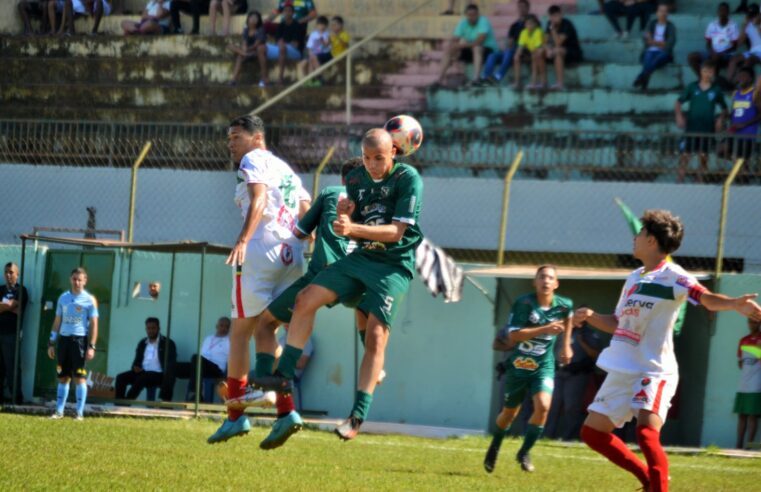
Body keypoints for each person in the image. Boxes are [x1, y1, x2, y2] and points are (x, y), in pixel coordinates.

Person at [250, 128, 424, 444]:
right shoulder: (355, 180)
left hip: (393, 266)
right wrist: (345, 220)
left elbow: (397, 232)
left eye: (379, 159)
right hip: (359, 260)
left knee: (375, 335)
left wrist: (352, 226)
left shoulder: (408, 179)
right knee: (305, 299)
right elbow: (352, 230)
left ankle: (356, 416)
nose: (372, 165)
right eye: (368, 158)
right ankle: (283, 375)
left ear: (394, 153)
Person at [575, 209, 761, 492]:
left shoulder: (673, 275)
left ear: (651, 240)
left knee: (647, 433)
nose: (634, 238)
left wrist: (734, 303)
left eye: (639, 234)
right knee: (592, 433)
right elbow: (617, 323)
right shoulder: (634, 278)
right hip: (625, 367)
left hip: (654, 369)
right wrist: (590, 315)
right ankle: (649, 481)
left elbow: (706, 298)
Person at [224, 157, 363, 449]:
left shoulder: (330, 194)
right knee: (367, 325)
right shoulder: (377, 206)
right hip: (360, 278)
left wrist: (280, 241)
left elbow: (303, 232)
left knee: (265, 324)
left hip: (321, 277)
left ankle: (266, 384)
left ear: (343, 177)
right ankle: (283, 404)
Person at [206, 114, 310, 445]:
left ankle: (235, 417)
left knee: (240, 332)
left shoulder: (254, 159)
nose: (231, 143)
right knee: (268, 329)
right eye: (229, 138)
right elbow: (306, 207)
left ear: (258, 138)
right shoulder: (287, 170)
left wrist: (242, 240)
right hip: (291, 255)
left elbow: (259, 200)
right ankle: (286, 411)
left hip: (260, 253)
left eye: (236, 136)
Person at [483, 265, 573, 474]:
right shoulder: (523, 303)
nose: (546, 281)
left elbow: (568, 318)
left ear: (556, 283)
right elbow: (513, 336)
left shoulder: (564, 305)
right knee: (509, 413)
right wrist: (545, 329)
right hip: (519, 366)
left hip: (543, 366)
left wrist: (566, 345)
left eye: (550, 278)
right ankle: (495, 444)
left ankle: (524, 452)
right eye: (542, 277)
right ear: (535, 282)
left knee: (543, 406)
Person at [47, 268, 99, 420]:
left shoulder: (89, 299)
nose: (77, 282)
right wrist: (51, 343)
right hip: (64, 341)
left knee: (79, 377)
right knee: (63, 377)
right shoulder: (63, 298)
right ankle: (59, 412)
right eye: (74, 279)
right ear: (70, 279)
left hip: (79, 341)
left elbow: (94, 324)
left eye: (79, 279)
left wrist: (92, 346)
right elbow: (57, 321)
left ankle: (79, 413)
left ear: (85, 281)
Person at [545, 320, 605, 441]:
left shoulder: (589, 334)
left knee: (571, 407)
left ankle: (569, 437)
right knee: (552, 405)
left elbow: (595, 354)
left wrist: (581, 340)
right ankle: (547, 435)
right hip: (559, 372)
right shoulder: (562, 332)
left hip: (577, 374)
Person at [675, 59, 728, 183]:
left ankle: (699, 180)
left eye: (710, 72)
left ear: (714, 73)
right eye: (705, 71)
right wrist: (679, 116)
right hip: (692, 127)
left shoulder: (716, 90)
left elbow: (725, 109)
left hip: (707, 128)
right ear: (700, 71)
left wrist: (720, 119)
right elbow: (678, 102)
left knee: (703, 156)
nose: (707, 74)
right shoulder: (692, 87)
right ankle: (679, 180)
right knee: (685, 156)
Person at [434, 3, 498, 88]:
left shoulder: (483, 21)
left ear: (478, 14)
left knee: (476, 48)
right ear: (466, 15)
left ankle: (476, 79)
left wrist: (462, 45)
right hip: (471, 50)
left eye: (474, 15)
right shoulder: (463, 23)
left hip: (488, 51)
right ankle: (439, 79)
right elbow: (455, 38)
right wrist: (452, 45)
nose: (471, 17)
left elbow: (479, 41)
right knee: (449, 50)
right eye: (469, 15)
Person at [114, 317, 177, 401]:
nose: (150, 331)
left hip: (159, 375)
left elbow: (171, 363)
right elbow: (136, 360)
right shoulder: (143, 343)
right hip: (142, 372)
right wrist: (135, 367)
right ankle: (118, 402)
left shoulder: (167, 343)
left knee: (143, 378)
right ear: (146, 329)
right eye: (148, 328)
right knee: (120, 377)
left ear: (158, 328)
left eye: (153, 328)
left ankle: (126, 403)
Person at [479, 0, 530, 85]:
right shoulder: (514, 25)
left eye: (523, 7)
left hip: (524, 50)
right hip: (513, 50)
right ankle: (486, 77)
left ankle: (498, 76)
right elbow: (510, 42)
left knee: (509, 52)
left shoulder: (532, 22)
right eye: (519, 7)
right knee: (492, 55)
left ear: (528, 8)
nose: (521, 9)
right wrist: (509, 46)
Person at [687, 2, 739, 85]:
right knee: (691, 57)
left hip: (727, 54)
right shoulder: (712, 25)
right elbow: (708, 43)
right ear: (717, 12)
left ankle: (713, 81)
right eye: (721, 10)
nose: (722, 12)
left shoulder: (733, 25)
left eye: (725, 10)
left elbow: (735, 45)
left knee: (716, 57)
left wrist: (721, 53)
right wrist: (712, 51)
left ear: (728, 12)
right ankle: (703, 79)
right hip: (713, 52)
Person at [0, 263, 28, 404]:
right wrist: (9, 307)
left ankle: (16, 399)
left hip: (12, 334)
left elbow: (13, 306)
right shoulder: (0, 289)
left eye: (11, 272)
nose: (8, 275)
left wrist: (7, 306)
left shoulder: (21, 290)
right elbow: (10, 307)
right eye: (6, 272)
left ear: (17, 274)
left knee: (12, 366)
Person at [633, 2, 676, 91]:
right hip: (650, 50)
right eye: (660, 11)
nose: (662, 13)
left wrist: (653, 41)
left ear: (668, 13)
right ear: (657, 12)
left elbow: (669, 44)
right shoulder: (651, 24)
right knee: (648, 56)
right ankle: (644, 82)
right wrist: (660, 43)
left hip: (665, 53)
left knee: (656, 58)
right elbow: (645, 40)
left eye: (665, 11)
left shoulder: (671, 26)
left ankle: (640, 78)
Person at [185, 317, 230, 402]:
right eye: (221, 325)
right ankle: (165, 398)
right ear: (216, 326)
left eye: (227, 327)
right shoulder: (208, 339)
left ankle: (194, 393)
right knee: (174, 366)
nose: (224, 328)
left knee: (195, 358)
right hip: (203, 365)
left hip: (216, 369)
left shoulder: (229, 341)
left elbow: (231, 361)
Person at [721, 66, 761, 160]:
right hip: (734, 132)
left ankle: (745, 171)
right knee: (721, 151)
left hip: (747, 134)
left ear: (750, 78)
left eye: (743, 76)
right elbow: (735, 113)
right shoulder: (735, 93)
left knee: (741, 161)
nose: (740, 78)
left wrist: (744, 124)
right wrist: (725, 116)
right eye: (739, 76)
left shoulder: (755, 93)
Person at [263, 3, 306, 85]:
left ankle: (280, 78)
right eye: (285, 11)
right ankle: (264, 77)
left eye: (289, 11)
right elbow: (278, 41)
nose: (287, 13)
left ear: (293, 13)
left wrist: (283, 43)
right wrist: (281, 43)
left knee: (282, 47)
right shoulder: (281, 25)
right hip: (281, 49)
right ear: (282, 13)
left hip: (295, 52)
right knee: (261, 48)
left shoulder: (298, 26)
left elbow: (295, 44)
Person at [544, 5, 582, 90]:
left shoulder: (567, 24)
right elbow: (545, 41)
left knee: (557, 51)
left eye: (556, 15)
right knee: (539, 51)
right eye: (552, 16)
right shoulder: (549, 24)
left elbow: (558, 43)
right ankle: (543, 82)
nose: (554, 18)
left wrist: (553, 30)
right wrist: (547, 49)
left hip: (572, 52)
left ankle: (560, 83)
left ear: (560, 14)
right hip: (556, 50)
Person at [736, 319, 761, 449]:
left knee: (752, 416)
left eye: (755, 322)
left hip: (757, 384)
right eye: (750, 322)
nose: (752, 325)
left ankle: (748, 447)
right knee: (742, 415)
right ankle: (738, 445)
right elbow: (740, 362)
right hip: (743, 384)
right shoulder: (743, 340)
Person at [227, 10, 267, 87]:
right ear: (248, 19)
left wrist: (246, 50)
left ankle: (234, 79)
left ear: (258, 20)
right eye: (252, 17)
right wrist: (244, 50)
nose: (253, 19)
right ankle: (234, 80)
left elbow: (256, 45)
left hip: (256, 52)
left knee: (240, 56)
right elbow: (244, 43)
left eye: (256, 18)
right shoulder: (246, 30)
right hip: (247, 52)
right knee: (230, 46)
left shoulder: (260, 30)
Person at [727, 5, 761, 84]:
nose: (752, 17)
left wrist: (757, 25)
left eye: (754, 15)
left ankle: (738, 82)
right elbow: (740, 42)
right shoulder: (748, 25)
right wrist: (744, 27)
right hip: (753, 51)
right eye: (750, 15)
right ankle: (728, 83)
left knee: (749, 60)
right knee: (734, 60)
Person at [512, 14, 545, 90]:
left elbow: (538, 47)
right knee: (516, 57)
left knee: (535, 56)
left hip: (542, 51)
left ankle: (537, 82)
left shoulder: (538, 31)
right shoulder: (524, 32)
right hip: (531, 51)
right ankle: (517, 82)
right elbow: (520, 46)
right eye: (527, 24)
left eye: (531, 23)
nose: (529, 25)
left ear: (535, 24)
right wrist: (517, 54)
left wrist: (533, 54)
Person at [301, 15, 331, 86]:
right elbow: (309, 46)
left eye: (324, 25)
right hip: (312, 53)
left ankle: (317, 77)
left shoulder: (327, 34)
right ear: (317, 25)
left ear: (326, 26)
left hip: (323, 53)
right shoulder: (313, 34)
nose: (322, 26)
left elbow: (327, 45)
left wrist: (322, 41)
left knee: (312, 61)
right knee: (303, 64)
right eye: (320, 24)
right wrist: (310, 53)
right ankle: (308, 79)